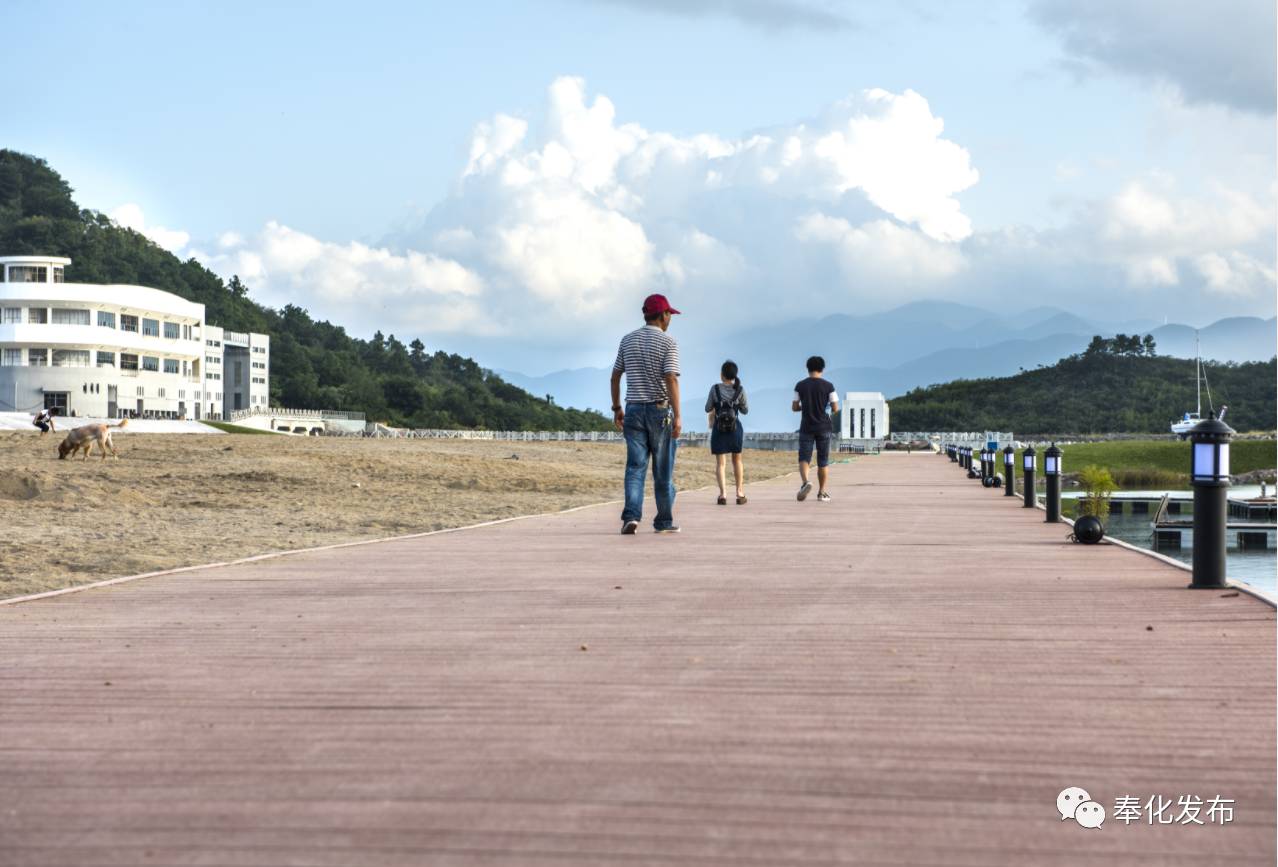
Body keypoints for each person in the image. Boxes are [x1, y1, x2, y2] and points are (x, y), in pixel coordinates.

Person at [609, 293, 682, 535]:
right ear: (663, 315)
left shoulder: (627, 340)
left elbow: (616, 375)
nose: (670, 317)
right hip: (659, 410)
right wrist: (679, 415)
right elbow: (670, 378)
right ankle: (663, 521)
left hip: (632, 409)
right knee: (662, 470)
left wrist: (617, 407)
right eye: (669, 313)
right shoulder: (668, 342)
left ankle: (631, 516)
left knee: (635, 467)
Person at [792, 356, 839, 502]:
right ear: (822, 369)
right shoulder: (829, 386)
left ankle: (806, 482)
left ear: (807, 368)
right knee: (823, 460)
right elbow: (835, 407)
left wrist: (805, 406)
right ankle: (821, 492)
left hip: (806, 426)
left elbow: (794, 407)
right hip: (824, 427)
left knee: (804, 457)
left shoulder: (800, 385)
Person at [705, 360, 748, 505]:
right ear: (735, 375)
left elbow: (707, 408)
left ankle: (723, 494)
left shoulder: (715, 388)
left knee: (720, 463)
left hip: (719, 428)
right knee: (737, 460)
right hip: (735, 429)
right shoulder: (740, 390)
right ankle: (739, 492)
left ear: (722, 375)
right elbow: (745, 410)